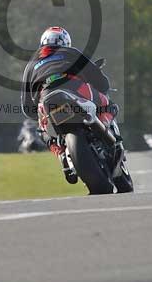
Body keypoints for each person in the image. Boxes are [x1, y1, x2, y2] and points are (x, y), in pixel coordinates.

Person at [20, 26, 119, 180]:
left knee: (43, 132)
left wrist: (38, 116)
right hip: (73, 86)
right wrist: (103, 86)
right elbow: (95, 75)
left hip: (45, 98)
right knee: (108, 104)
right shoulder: (70, 52)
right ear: (65, 41)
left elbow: (26, 105)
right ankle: (108, 133)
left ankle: (61, 155)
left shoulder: (31, 63)